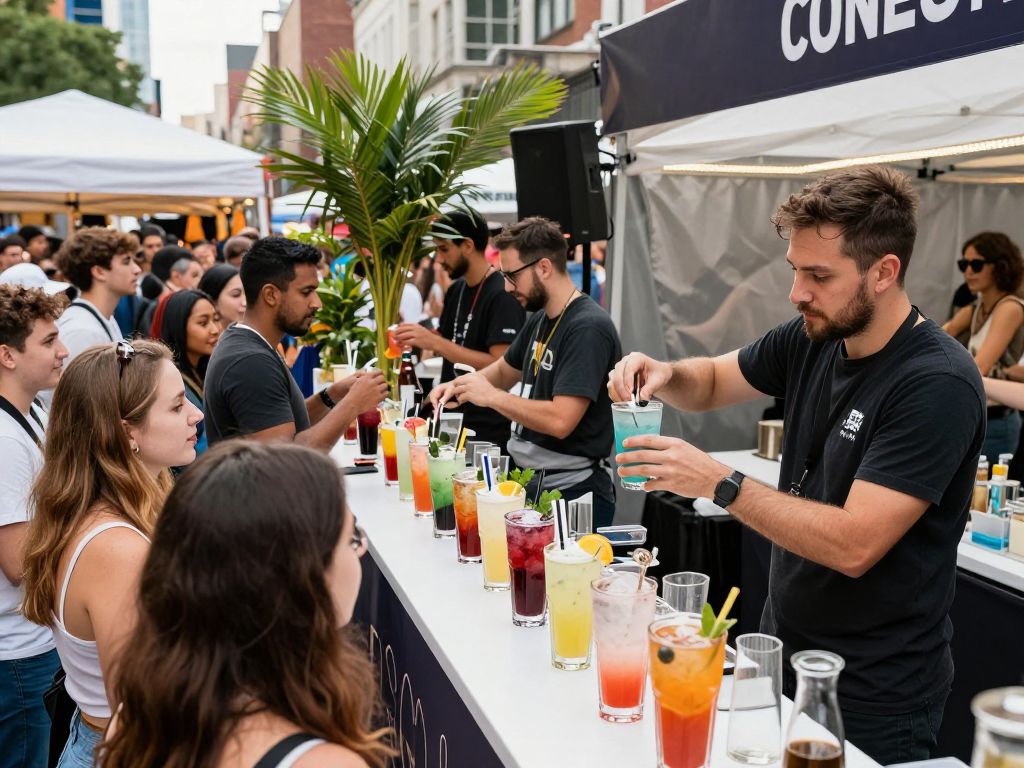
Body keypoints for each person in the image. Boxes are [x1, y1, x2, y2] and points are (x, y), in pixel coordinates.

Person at [608, 166, 984, 765]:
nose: (797, 292)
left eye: (819, 275)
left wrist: (719, 483)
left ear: (885, 272)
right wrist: (663, 373)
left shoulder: (935, 382)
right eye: (794, 269)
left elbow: (855, 544)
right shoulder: (814, 336)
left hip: (873, 693)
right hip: (779, 655)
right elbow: (708, 382)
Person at [98, 441, 393, 767]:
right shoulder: (322, 763)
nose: (360, 550)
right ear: (301, 578)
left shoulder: (137, 716)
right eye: (352, 538)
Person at [21, 339, 203, 767]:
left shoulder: (118, 515)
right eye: (177, 407)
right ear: (126, 431)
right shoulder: (117, 550)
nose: (196, 414)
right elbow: (144, 712)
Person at [430, 217, 622, 527]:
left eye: (512, 275)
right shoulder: (540, 319)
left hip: (573, 492)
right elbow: (505, 370)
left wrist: (491, 397)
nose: (506, 286)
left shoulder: (587, 327)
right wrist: (460, 386)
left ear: (544, 267)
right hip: (536, 483)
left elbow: (560, 420)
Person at [204, 237, 388, 450]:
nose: (317, 303)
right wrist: (353, 404)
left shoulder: (250, 344)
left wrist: (332, 395)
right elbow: (286, 460)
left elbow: (282, 422)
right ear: (271, 295)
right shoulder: (251, 362)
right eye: (306, 292)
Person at [0, 286, 68, 768]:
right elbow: (19, 563)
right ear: (7, 355)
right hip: (19, 656)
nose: (62, 350)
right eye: (47, 341)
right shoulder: (3, 439)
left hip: (37, 643)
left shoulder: (34, 412)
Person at [394, 210, 525, 449]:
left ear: (467, 245)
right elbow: (451, 343)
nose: (438, 259)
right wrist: (417, 338)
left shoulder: (501, 294)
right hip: (448, 419)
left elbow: (501, 364)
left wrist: (435, 343)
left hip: (486, 429)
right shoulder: (457, 290)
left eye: (444, 249)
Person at [942, 232, 1024, 458]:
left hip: (997, 420)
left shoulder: (1009, 308)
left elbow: (980, 368)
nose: (968, 271)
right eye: (964, 264)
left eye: (976, 264)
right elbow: (936, 337)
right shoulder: (977, 307)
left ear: (999, 266)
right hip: (978, 413)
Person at [53, 227, 140, 361]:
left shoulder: (104, 318)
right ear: (99, 272)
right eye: (126, 261)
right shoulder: (82, 331)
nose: (137, 269)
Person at [159, 290, 221, 458]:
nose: (215, 329)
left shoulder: (203, 370)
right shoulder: (170, 381)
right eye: (203, 323)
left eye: (216, 319)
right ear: (179, 327)